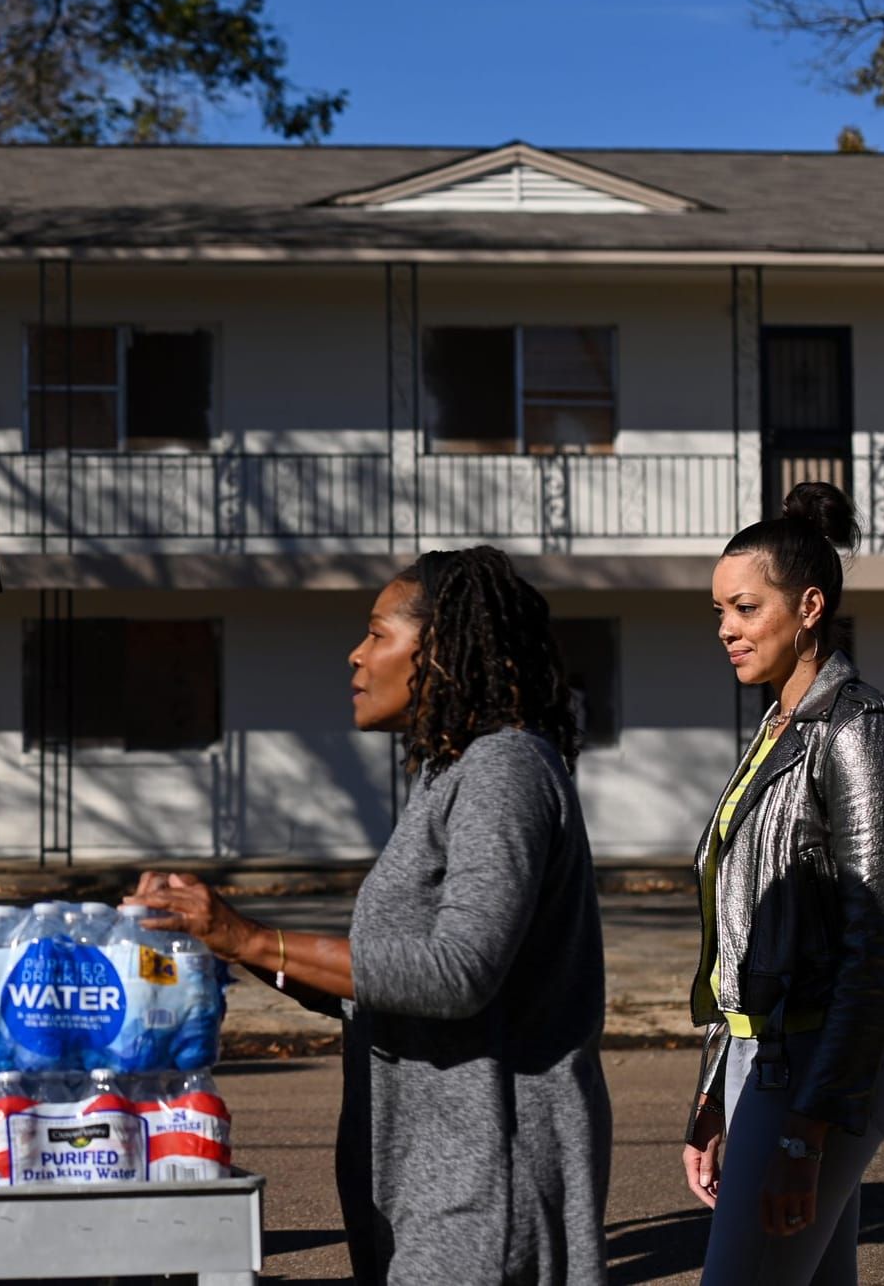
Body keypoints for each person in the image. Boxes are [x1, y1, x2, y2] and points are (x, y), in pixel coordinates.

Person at [135, 546, 611, 1284]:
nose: (356, 657)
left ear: (445, 651)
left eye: (378, 635)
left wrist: (251, 934)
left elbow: (460, 973)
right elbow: (383, 981)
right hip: (429, 1170)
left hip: (490, 1169)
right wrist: (228, 943)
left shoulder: (503, 771)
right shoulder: (450, 774)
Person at [681, 482, 884, 1285]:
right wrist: (715, 1089)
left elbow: (877, 947)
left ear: (809, 606)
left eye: (744, 609)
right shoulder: (776, 730)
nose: (726, 631)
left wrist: (804, 1129)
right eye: (720, 612)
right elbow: (743, 932)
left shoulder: (859, 733)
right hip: (770, 1059)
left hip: (824, 1065)